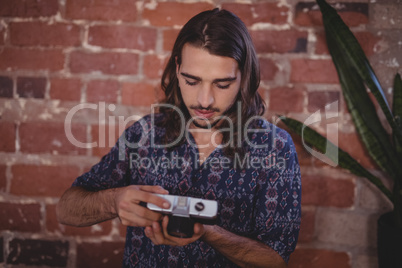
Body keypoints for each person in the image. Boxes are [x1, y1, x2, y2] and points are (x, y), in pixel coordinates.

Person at [57, 8, 301, 268]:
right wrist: (113, 201)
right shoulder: (144, 134)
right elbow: (66, 209)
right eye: (192, 81)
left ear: (244, 77)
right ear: (177, 68)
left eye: (222, 84)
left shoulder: (275, 147)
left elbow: (274, 260)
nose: (204, 100)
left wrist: (204, 231)